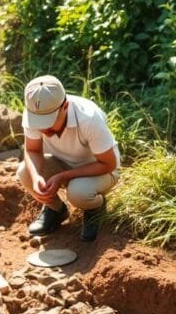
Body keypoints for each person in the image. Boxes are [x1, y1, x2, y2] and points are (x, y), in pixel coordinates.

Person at [17, 75, 120, 242]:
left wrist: (62, 177)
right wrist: (37, 178)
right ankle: (55, 210)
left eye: (49, 121)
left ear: (65, 106)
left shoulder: (89, 118)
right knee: (25, 172)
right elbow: (32, 150)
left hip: (100, 169)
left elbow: (108, 163)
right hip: (62, 163)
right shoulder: (34, 112)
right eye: (39, 122)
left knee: (78, 192)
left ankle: (95, 209)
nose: (43, 128)